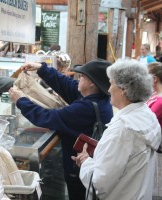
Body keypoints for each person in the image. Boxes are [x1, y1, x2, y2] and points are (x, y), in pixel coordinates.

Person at [9, 59, 113, 200]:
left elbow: (48, 117)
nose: (78, 78)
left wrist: (21, 100)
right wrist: (41, 69)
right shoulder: (98, 98)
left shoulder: (85, 108)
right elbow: (68, 85)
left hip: (80, 171)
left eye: (82, 76)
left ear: (92, 83)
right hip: (85, 166)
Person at [72, 59, 161, 200]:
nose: (108, 89)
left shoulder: (123, 129)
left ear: (123, 89)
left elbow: (100, 183)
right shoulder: (148, 116)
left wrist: (85, 161)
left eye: (111, 83)